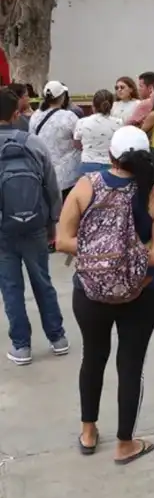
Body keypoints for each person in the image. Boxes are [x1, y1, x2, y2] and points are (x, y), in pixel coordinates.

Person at [56, 125, 154, 463]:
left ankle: (89, 431)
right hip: (143, 292)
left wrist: (99, 252)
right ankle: (125, 444)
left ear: (109, 154)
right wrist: (128, 253)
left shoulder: (85, 186)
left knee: (92, 358)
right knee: (130, 365)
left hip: (90, 293)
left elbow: (63, 240)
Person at [0, 88, 67, 365]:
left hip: (3, 229)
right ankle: (58, 338)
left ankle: (21, 346)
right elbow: (52, 187)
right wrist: (53, 222)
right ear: (17, 113)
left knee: (11, 286)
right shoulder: (34, 143)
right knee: (43, 281)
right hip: (36, 225)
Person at [30, 80, 81, 201]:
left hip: (43, 172)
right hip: (67, 174)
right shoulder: (69, 116)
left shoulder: (35, 115)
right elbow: (79, 140)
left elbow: (31, 139)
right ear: (62, 97)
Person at [74, 89, 122, 175]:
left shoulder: (82, 122)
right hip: (111, 165)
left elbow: (76, 144)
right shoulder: (119, 123)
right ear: (111, 106)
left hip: (88, 164)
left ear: (93, 106)